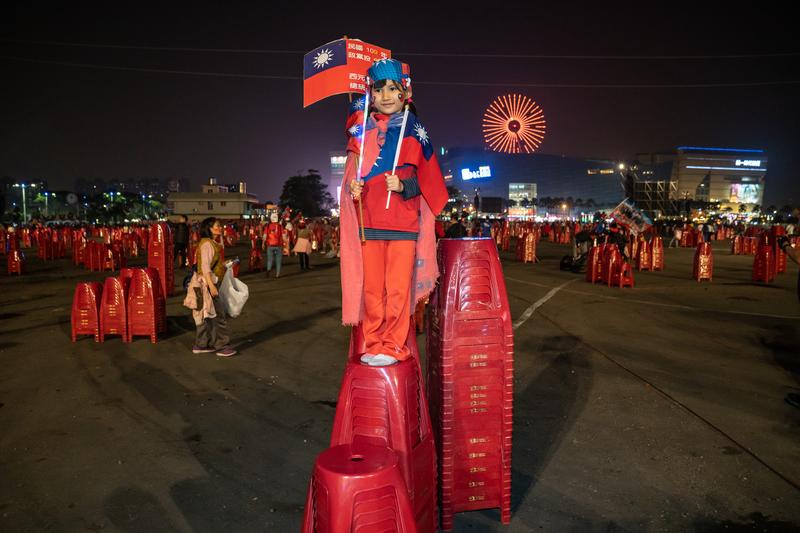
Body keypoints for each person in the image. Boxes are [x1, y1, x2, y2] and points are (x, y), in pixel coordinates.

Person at [342, 58, 448, 367]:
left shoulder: (414, 131)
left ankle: (393, 346)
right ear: (370, 94)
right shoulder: (360, 132)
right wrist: (353, 190)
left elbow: (427, 184)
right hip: (369, 225)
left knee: (398, 291)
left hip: (403, 226)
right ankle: (373, 342)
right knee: (373, 291)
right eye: (379, 89)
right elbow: (352, 179)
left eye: (393, 88)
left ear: (405, 94)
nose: (386, 95)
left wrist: (403, 186)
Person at [186, 217, 236, 357]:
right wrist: (212, 287)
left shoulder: (210, 243)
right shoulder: (207, 244)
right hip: (207, 283)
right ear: (209, 228)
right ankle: (222, 345)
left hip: (206, 282)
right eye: (217, 226)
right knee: (218, 315)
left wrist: (225, 264)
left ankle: (202, 344)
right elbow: (205, 267)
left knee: (205, 315)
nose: (220, 228)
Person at [263, 212, 283, 278]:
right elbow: (284, 235)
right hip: (279, 245)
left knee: (269, 260)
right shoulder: (280, 226)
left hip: (270, 245)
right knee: (278, 260)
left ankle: (268, 269)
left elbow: (265, 236)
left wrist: (263, 243)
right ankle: (277, 275)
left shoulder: (268, 226)